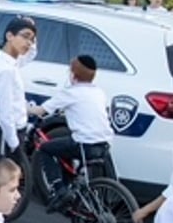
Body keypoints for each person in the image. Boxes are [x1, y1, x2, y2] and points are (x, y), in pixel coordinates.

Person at [28, 55, 114, 212]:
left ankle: (59, 189)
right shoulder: (99, 93)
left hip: (83, 144)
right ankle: (70, 189)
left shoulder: (70, 93)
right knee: (64, 145)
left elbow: (42, 111)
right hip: (103, 145)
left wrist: (25, 109)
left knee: (45, 148)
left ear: (73, 74)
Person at [0, 17, 37, 169]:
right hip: (8, 134)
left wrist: (31, 28)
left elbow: (30, 55)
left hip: (16, 131)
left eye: (32, 39)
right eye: (25, 36)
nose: (29, 43)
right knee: (4, 180)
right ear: (9, 36)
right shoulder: (5, 69)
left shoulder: (13, 62)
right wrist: (14, 143)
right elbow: (5, 112)